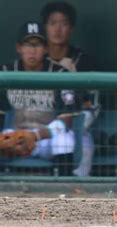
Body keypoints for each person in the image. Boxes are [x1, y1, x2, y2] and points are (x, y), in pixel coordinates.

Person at [0, 22, 79, 174]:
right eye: (28, 45)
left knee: (65, 141)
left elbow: (67, 120)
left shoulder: (59, 74)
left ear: (46, 49)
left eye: (38, 45)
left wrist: (35, 135)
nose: (32, 51)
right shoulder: (6, 72)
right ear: (19, 48)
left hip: (46, 137)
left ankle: (64, 188)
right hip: (15, 137)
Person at [40, 1, 100, 177]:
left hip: (75, 127)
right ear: (45, 27)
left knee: (81, 142)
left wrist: (77, 123)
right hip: (40, 123)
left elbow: (92, 104)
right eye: (53, 23)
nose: (58, 29)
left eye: (64, 23)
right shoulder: (36, 61)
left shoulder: (83, 61)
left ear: (71, 28)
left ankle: (75, 196)